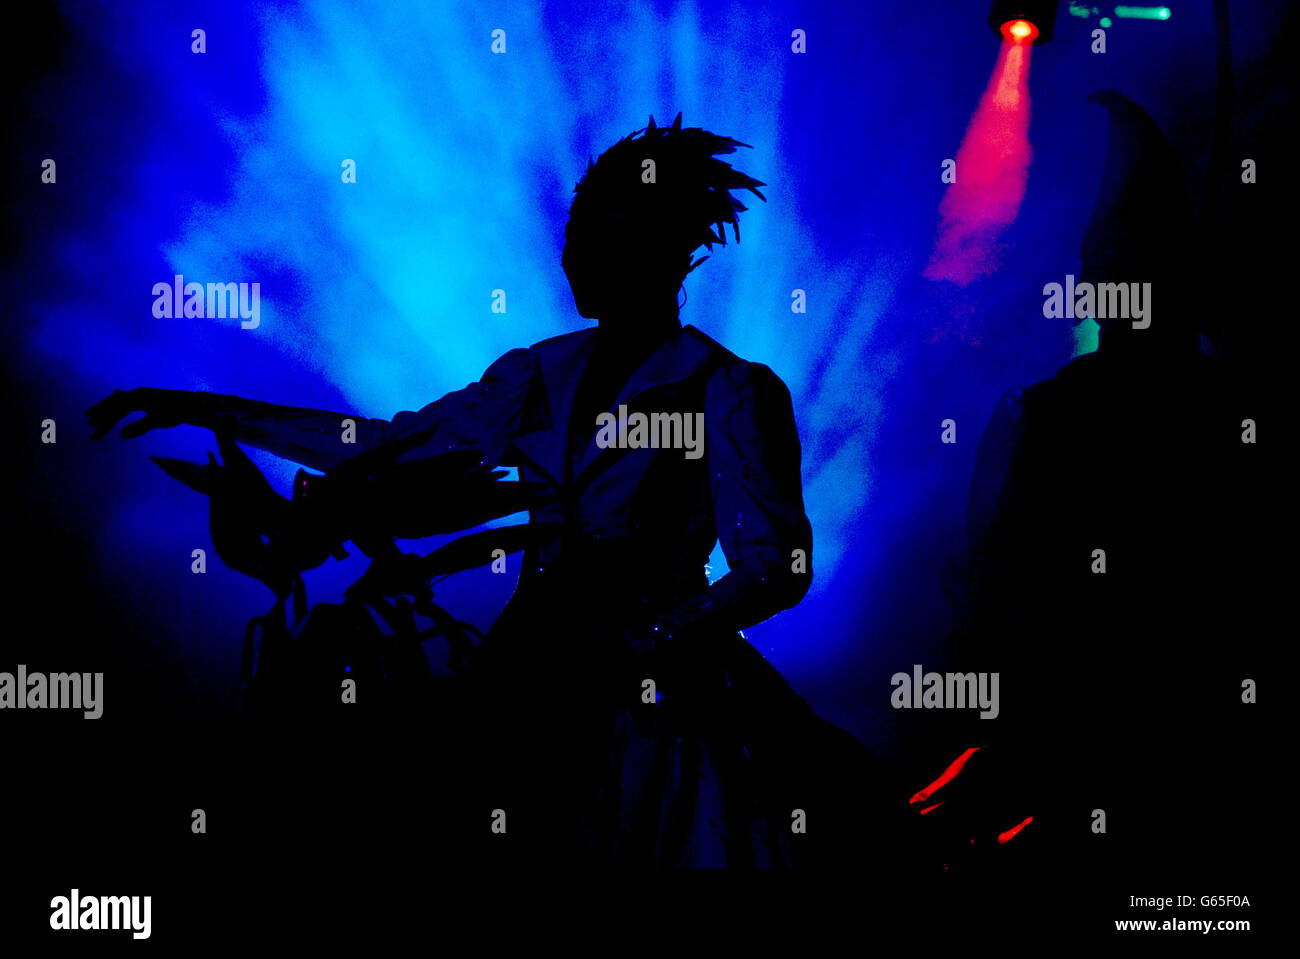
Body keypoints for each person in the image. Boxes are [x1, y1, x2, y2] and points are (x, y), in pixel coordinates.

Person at [89, 114, 904, 869]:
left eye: (599, 232)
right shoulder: (539, 371)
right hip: (528, 667)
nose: (575, 252)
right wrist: (204, 409)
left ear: (657, 247)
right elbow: (381, 446)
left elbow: (778, 564)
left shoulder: (731, 389)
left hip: (656, 699)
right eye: (573, 232)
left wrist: (646, 641)